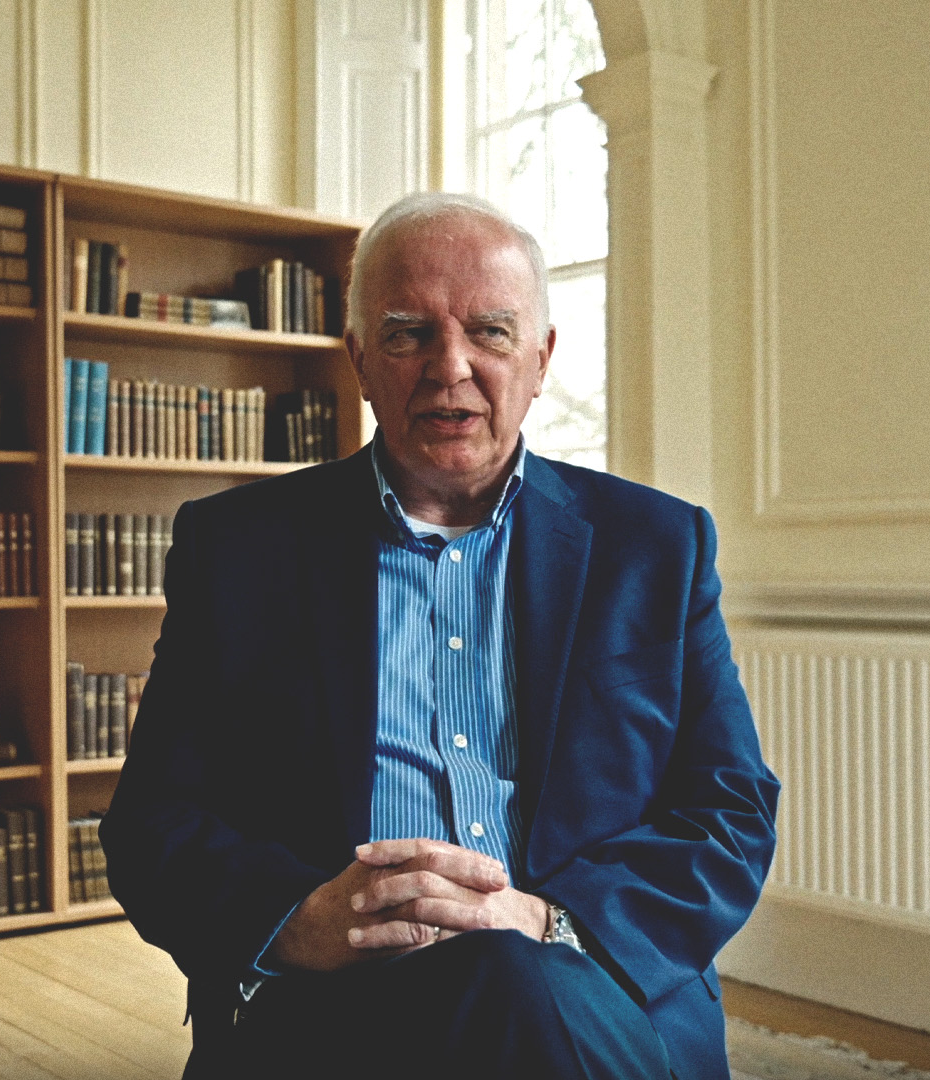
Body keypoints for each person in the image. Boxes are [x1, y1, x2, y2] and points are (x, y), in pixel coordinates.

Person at [100, 191, 779, 1079]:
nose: (449, 366)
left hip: (581, 975)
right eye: (407, 333)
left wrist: (544, 922)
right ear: (359, 362)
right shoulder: (237, 551)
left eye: (490, 332)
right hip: (331, 993)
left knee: (513, 979)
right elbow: (153, 821)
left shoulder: (654, 547)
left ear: (540, 360)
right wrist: (299, 920)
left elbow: (728, 811)